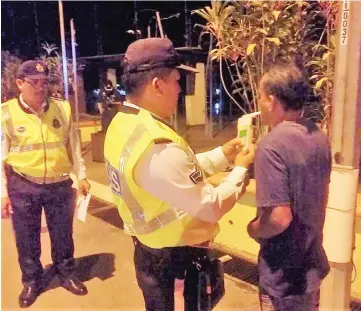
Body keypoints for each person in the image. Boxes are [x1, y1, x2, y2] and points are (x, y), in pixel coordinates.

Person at [104, 37, 255, 311]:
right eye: (176, 81)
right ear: (157, 85)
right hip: (174, 264)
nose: (179, 89)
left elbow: (175, 174)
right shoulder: (155, 143)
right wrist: (241, 169)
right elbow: (209, 207)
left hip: (150, 251)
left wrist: (223, 154)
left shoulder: (125, 123)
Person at [1, 60, 91, 308]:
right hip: (23, 184)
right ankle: (32, 280)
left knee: (63, 233)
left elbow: (74, 146)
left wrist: (81, 175)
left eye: (44, 82)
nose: (41, 88)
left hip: (60, 184)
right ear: (20, 84)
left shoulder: (62, 109)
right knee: (26, 237)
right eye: (34, 83)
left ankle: (66, 273)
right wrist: (2, 193)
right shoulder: (5, 113)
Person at [246, 61, 331, 311]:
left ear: (272, 101)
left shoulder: (272, 146)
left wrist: (253, 229)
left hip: (283, 275)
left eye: (260, 97)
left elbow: (279, 218)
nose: (259, 104)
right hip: (311, 267)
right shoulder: (318, 137)